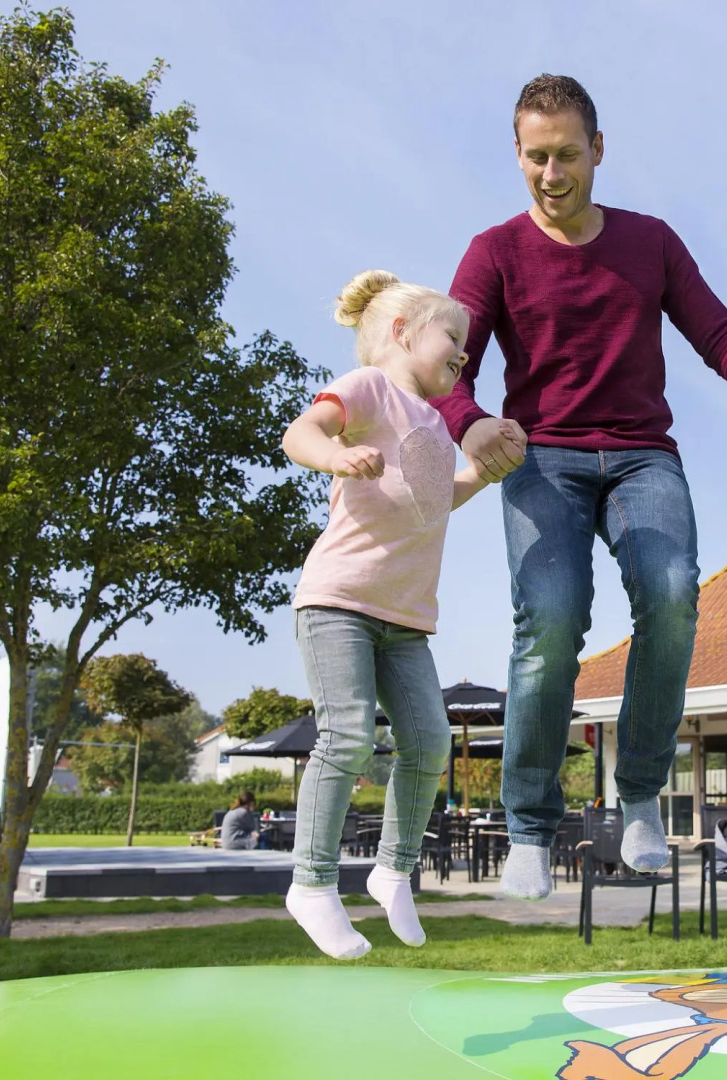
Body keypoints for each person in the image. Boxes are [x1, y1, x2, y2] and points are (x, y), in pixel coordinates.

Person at [433, 74, 727, 900]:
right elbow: (447, 364)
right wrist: (470, 423)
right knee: (549, 626)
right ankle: (531, 826)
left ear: (599, 150)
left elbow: (717, 331)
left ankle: (642, 798)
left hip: (642, 458)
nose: (552, 174)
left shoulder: (650, 242)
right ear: (517, 156)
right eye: (536, 158)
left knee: (674, 594)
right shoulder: (494, 251)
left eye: (568, 155)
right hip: (541, 458)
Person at [280, 270, 497, 959]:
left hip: (405, 621)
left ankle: (393, 871)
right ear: (403, 332)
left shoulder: (436, 423)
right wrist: (336, 455)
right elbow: (301, 432)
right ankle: (312, 886)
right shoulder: (368, 385)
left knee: (430, 746)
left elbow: (433, 500)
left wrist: (486, 473)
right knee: (345, 736)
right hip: (339, 601)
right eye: (453, 337)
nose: (464, 352)